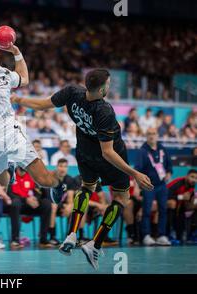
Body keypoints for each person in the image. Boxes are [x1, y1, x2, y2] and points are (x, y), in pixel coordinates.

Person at [12, 68, 153, 269]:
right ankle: (94, 244)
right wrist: (135, 173)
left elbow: (43, 104)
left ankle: (71, 234)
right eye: (109, 85)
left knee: (87, 187)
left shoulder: (73, 93)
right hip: (110, 157)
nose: (109, 87)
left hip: (84, 152)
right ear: (103, 89)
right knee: (122, 197)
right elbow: (108, 152)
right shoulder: (105, 111)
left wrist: (19, 99)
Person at [0, 33, 65, 203]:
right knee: (1, 190)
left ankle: (58, 185)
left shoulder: (5, 73)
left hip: (11, 134)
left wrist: (16, 53)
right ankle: (10, 167)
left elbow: (24, 79)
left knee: (45, 181)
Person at [136, 127, 173, 246]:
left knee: (163, 210)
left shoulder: (163, 149)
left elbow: (169, 166)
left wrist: (168, 173)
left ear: (157, 135)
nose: (152, 136)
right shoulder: (143, 151)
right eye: (149, 134)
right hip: (149, 186)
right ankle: (146, 235)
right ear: (146, 136)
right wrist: (138, 186)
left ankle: (161, 235)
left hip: (162, 185)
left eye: (154, 133)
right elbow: (138, 169)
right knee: (147, 210)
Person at [7, 167, 52, 249]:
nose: (23, 172)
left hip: (31, 204)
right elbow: (9, 193)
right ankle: (15, 240)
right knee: (15, 203)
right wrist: (25, 199)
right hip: (19, 204)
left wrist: (35, 198)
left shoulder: (32, 175)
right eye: (21, 170)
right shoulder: (10, 176)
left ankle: (43, 239)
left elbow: (38, 191)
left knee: (47, 204)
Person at [166, 169, 197, 244]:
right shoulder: (178, 182)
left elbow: (189, 199)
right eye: (192, 177)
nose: (194, 180)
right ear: (186, 176)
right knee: (173, 203)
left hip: (180, 206)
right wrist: (181, 197)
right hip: (164, 202)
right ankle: (169, 234)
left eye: (196, 178)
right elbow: (166, 195)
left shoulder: (192, 186)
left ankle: (192, 235)